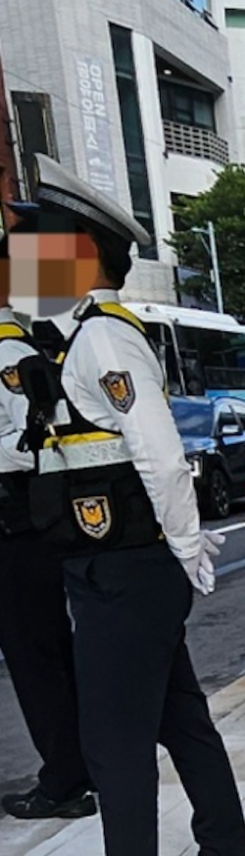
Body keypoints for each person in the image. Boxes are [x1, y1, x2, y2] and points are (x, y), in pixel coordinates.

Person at [22, 155, 245, 856]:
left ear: (78, 259)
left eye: (31, 254)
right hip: (117, 568)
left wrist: (188, 547)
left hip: (127, 569)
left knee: (112, 739)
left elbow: (160, 456)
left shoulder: (102, 345)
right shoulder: (70, 344)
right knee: (179, 720)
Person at [0, 198, 96, 821]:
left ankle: (65, 780)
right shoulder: (23, 344)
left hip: (15, 519)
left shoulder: (9, 353)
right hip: (28, 518)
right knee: (48, 650)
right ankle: (73, 768)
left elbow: (19, 447)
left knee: (35, 654)